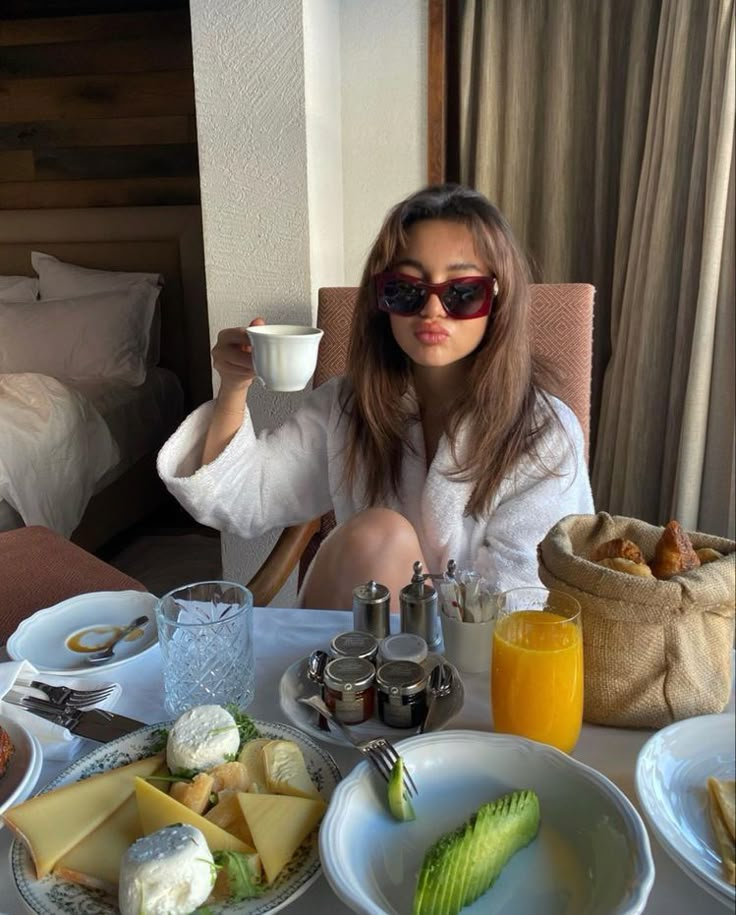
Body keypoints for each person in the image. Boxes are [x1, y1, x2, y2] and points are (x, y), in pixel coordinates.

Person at [158, 183, 594, 609]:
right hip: (355, 646)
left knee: (383, 537)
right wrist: (234, 386)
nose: (432, 310)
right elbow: (242, 498)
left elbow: (524, 598)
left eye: (463, 292)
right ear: (381, 300)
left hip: (477, 657)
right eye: (407, 289)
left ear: (497, 299)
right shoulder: (348, 407)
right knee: (380, 535)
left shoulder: (542, 431)